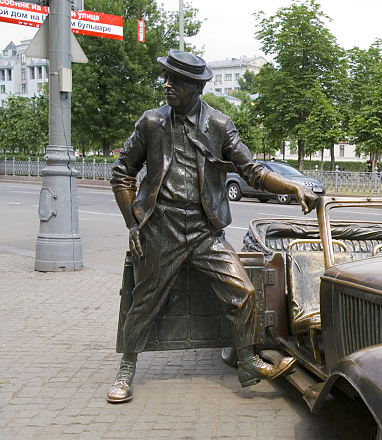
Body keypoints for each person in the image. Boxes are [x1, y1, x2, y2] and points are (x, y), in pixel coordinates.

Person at [107, 50, 317, 403]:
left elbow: (252, 170)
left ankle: (248, 362)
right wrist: (133, 225)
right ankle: (127, 368)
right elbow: (122, 174)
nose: (167, 85)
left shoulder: (219, 125)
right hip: (162, 225)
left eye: (175, 81)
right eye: (167, 78)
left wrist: (292, 185)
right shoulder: (151, 123)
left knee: (245, 292)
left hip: (205, 230)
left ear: (195, 87)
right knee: (144, 300)